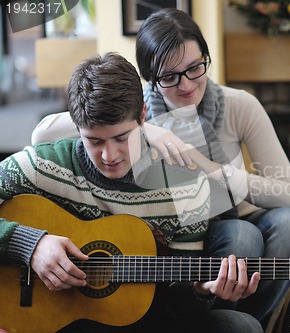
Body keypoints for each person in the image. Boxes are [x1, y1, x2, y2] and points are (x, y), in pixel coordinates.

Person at [31, 8, 290, 330]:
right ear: (149, 78)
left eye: (195, 68)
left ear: (206, 58)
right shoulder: (137, 112)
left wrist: (206, 165)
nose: (186, 84)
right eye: (169, 77)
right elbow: (42, 134)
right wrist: (145, 128)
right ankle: (215, 313)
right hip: (189, 224)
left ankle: (263, 321)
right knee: (242, 236)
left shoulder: (240, 105)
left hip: (239, 211)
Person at [1, 52, 264, 333]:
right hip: (57, 320)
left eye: (121, 137)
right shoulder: (39, 165)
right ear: (76, 128)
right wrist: (31, 245)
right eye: (94, 140)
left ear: (142, 117)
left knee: (241, 326)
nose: (109, 155)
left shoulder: (186, 185)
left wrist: (201, 290)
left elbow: (176, 306)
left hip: (143, 320)